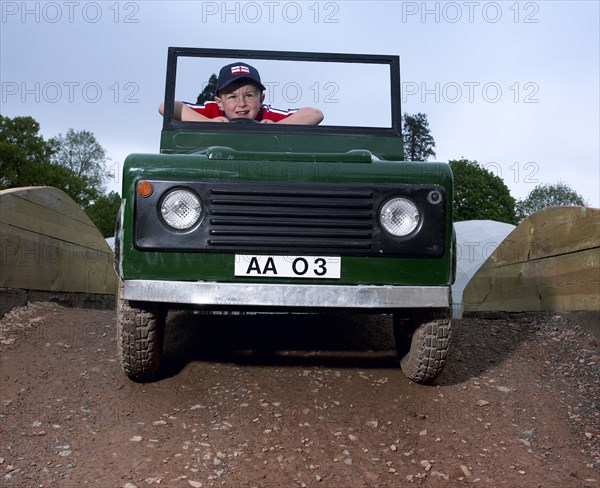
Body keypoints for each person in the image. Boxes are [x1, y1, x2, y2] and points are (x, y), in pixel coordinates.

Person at [159, 62, 323, 125]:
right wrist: (207, 123)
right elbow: (165, 106)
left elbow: (315, 114)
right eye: (232, 96)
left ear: (261, 99)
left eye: (249, 95)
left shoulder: (266, 114)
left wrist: (276, 129)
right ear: (219, 102)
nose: (241, 103)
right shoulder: (211, 111)